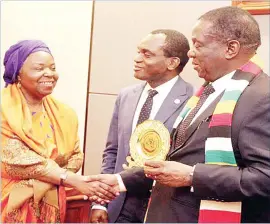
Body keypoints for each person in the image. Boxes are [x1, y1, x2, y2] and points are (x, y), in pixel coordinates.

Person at [93, 6, 270, 223]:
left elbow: (265, 177)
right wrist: (120, 181)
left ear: (231, 48)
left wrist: (192, 176)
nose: (190, 52)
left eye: (198, 44)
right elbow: (174, 160)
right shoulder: (208, 91)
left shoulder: (262, 97)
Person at [1, 40, 118, 223]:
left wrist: (62, 177)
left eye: (52, 68)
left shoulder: (65, 113)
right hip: (8, 205)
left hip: (54, 206)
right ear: (17, 74)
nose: (49, 74)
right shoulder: (3, 110)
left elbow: (76, 156)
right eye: (39, 68)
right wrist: (66, 178)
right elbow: (14, 158)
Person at [90, 29, 194, 223]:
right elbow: (112, 152)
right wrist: (100, 202)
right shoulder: (126, 96)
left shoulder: (193, 100)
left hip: (163, 207)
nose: (137, 58)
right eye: (138, 51)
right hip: (120, 204)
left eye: (147, 54)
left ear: (172, 62)